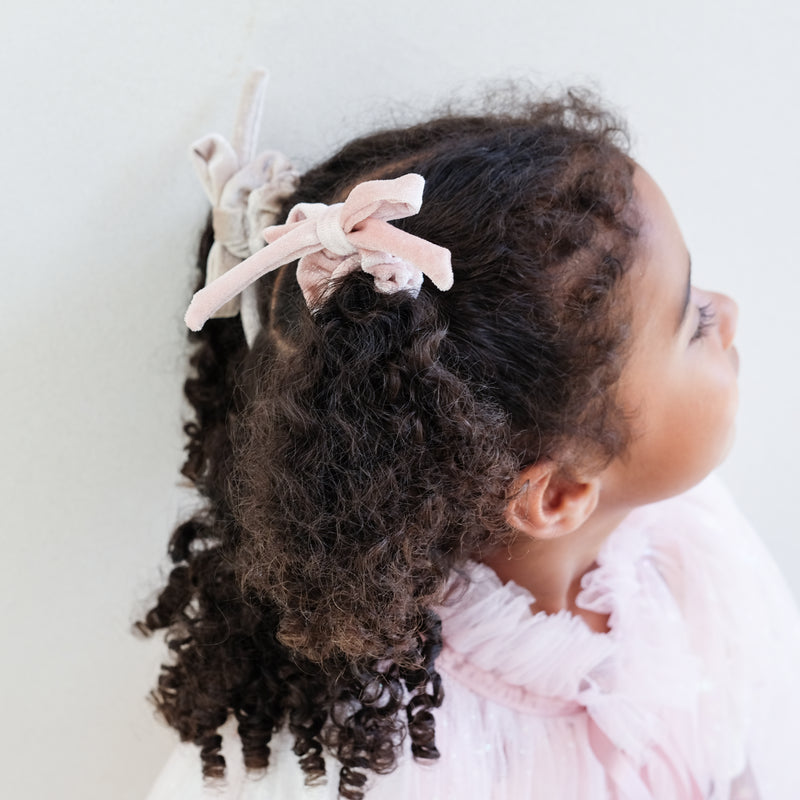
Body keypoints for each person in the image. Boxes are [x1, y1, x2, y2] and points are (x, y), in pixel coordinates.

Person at [139, 70, 800, 800]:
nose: (730, 310)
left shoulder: (686, 544)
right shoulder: (417, 768)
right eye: (694, 322)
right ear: (555, 497)